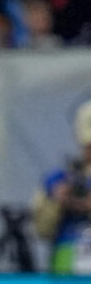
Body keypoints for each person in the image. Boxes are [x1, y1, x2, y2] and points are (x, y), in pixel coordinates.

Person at [33, 99, 91, 274]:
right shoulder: (60, 178)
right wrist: (57, 202)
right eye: (88, 146)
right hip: (67, 267)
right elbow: (42, 230)